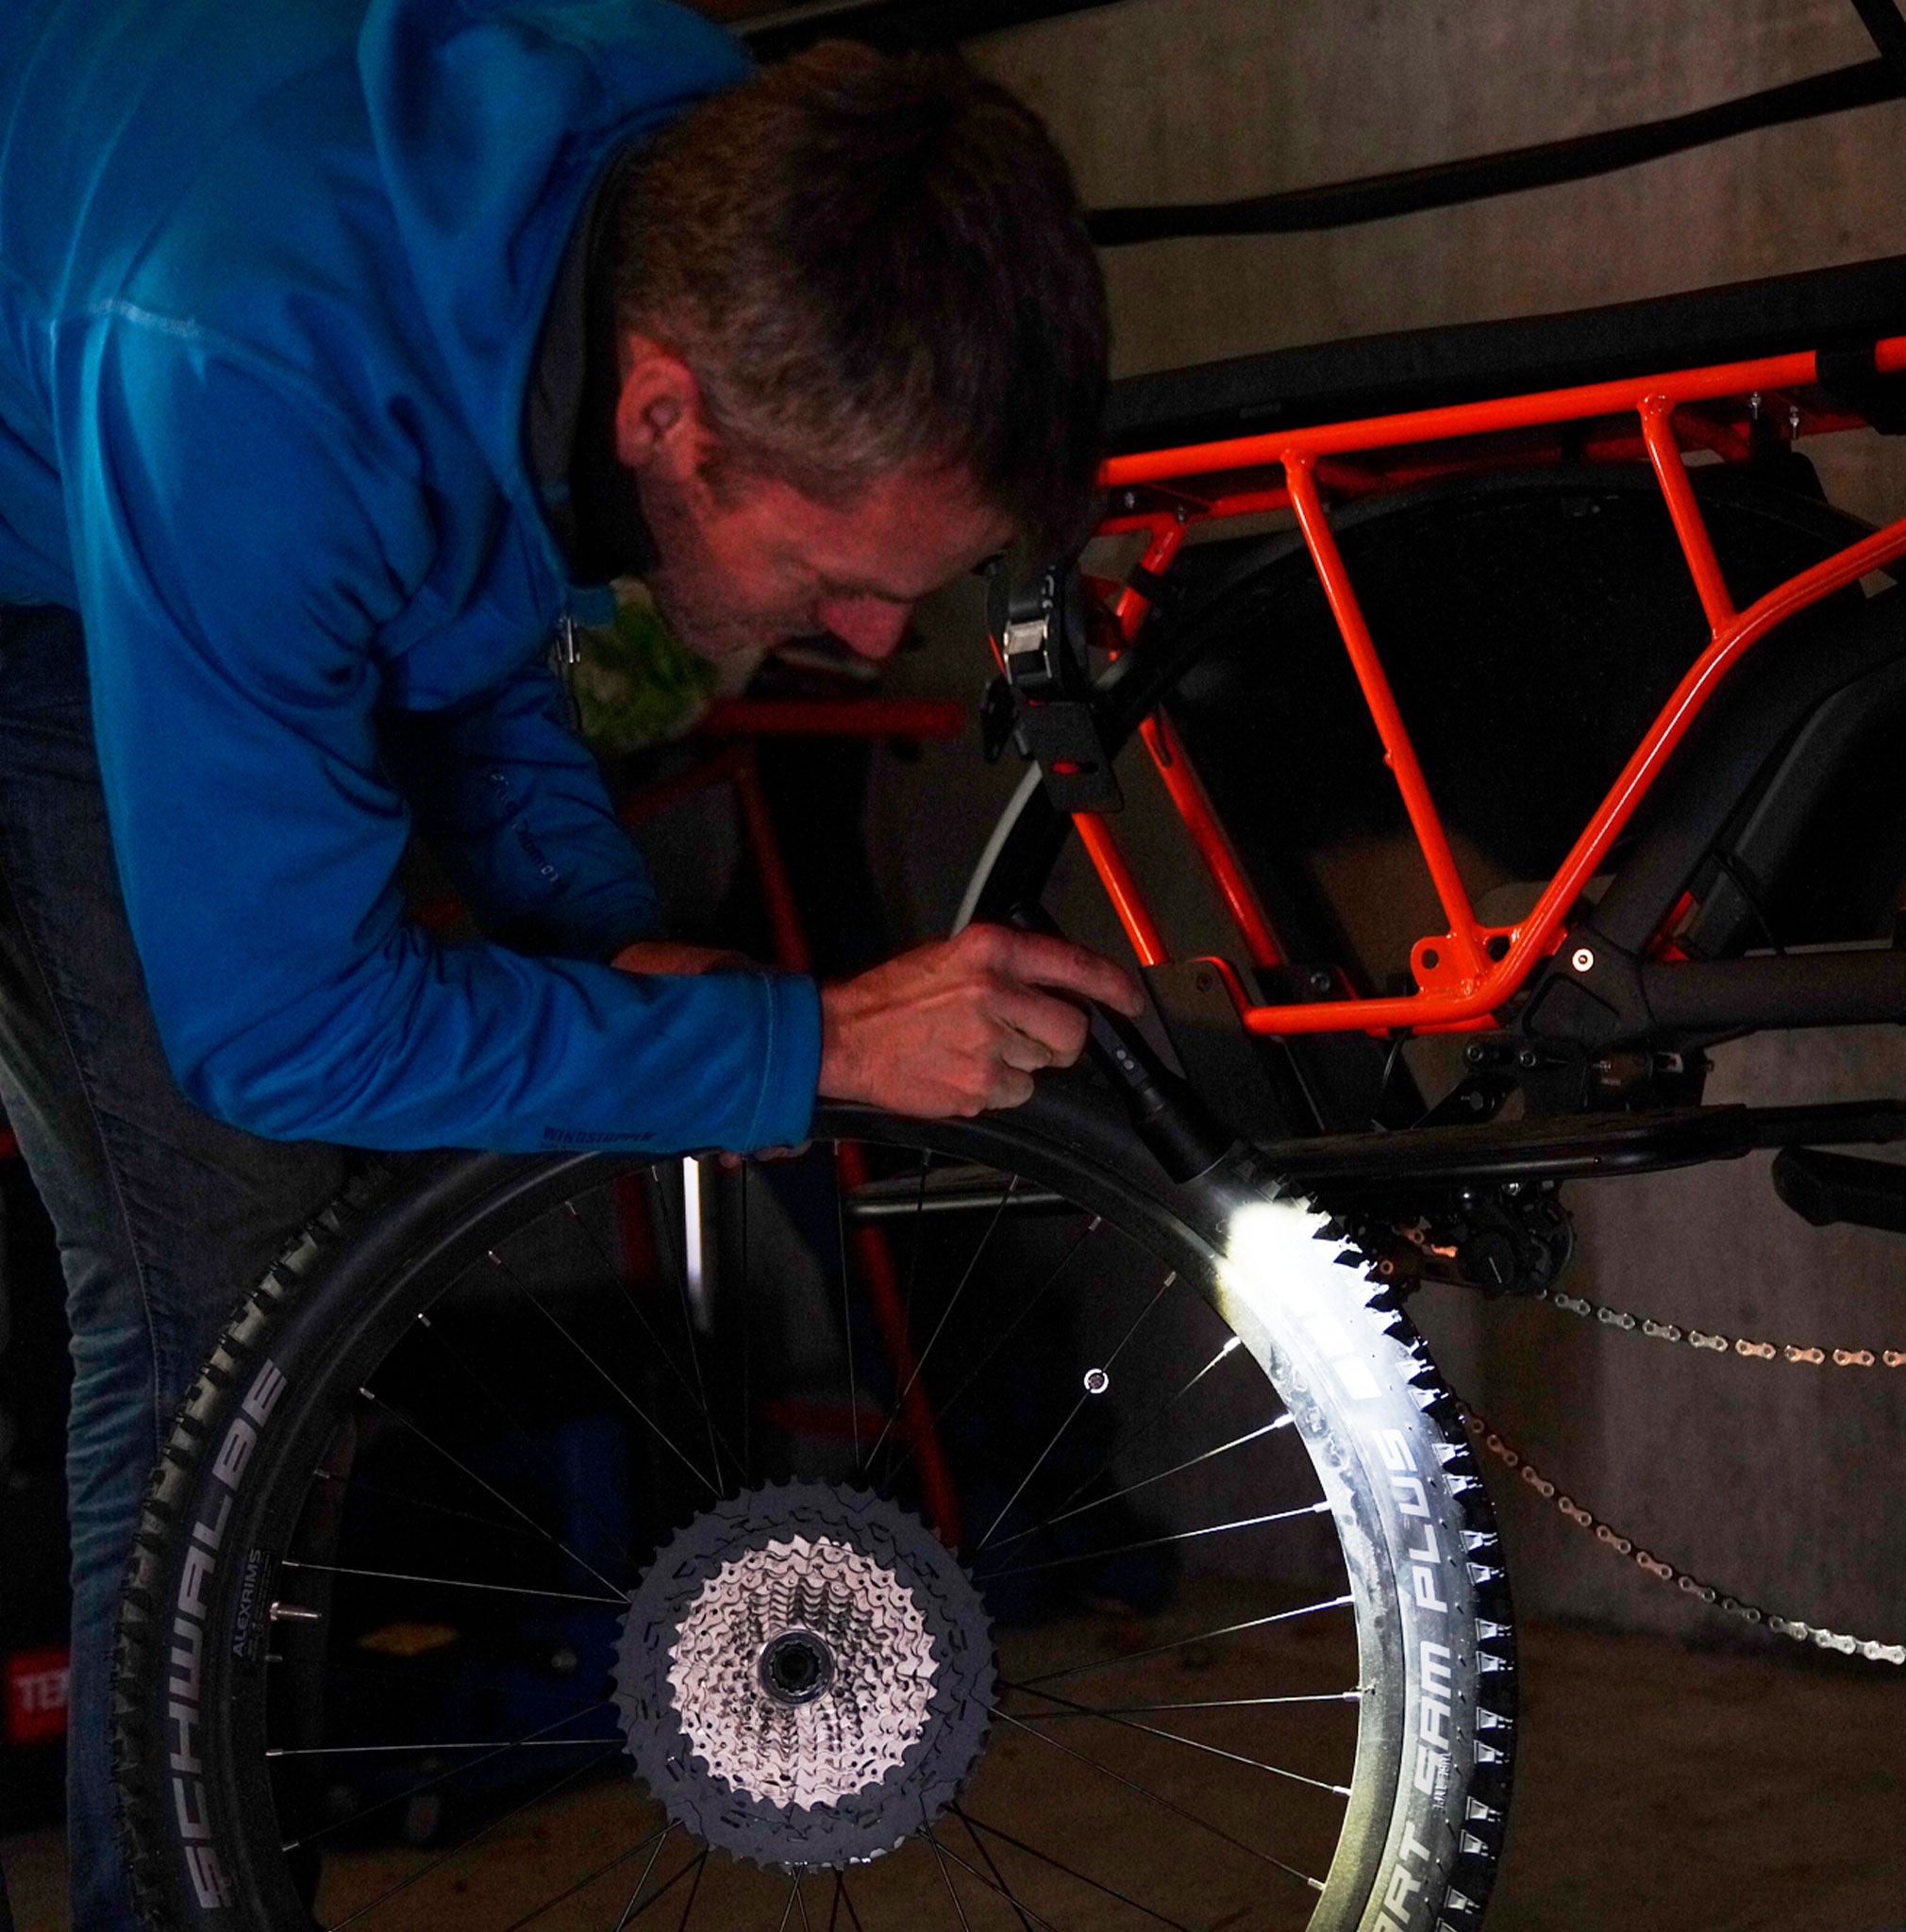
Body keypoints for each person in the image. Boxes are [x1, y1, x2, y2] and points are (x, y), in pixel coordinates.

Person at [0, 4, 1136, 1923]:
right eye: (841, 574)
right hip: (84, 466)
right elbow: (277, 1025)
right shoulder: (251, 364)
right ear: (666, 414)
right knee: (214, 1292)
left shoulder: (680, 167)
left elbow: (471, 554)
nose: (872, 637)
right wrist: (806, 1044)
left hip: (153, 347)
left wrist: (600, 931)